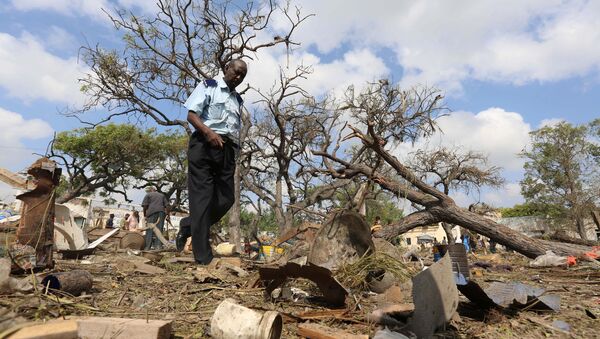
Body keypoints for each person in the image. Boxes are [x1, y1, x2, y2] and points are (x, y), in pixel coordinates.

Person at [185, 59, 248, 265]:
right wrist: (208, 132)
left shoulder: (237, 100)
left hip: (227, 149)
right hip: (205, 144)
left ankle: (188, 225)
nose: (238, 77)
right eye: (235, 72)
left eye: (242, 75)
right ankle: (203, 257)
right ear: (226, 69)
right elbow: (192, 115)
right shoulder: (208, 86)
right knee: (202, 197)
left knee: (226, 198)